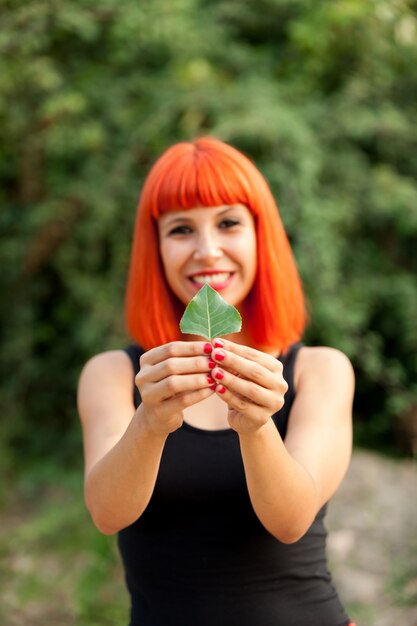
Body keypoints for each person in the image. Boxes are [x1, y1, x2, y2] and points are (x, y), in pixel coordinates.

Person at [77, 137, 356, 626]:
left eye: (228, 222)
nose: (207, 251)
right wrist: (150, 423)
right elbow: (107, 513)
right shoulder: (115, 375)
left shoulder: (320, 370)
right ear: (155, 247)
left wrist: (255, 424)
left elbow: (291, 521)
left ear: (260, 235)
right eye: (181, 229)